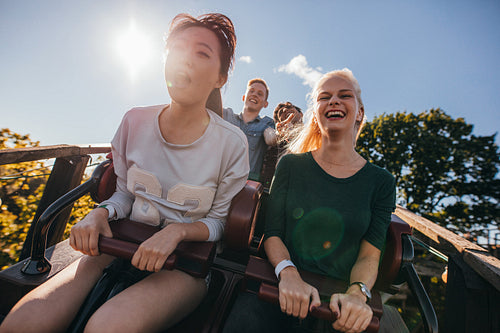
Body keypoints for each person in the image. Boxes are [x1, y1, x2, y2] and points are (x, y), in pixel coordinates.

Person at [0, 13, 248, 333]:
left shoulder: (232, 143)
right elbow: (126, 193)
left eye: (201, 53)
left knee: (107, 327)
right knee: (22, 324)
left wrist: (176, 232)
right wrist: (100, 213)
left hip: (184, 267)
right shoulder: (134, 121)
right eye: (177, 49)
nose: (185, 59)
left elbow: (218, 222)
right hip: (119, 244)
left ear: (220, 78)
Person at [223, 69, 397, 333]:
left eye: (344, 95)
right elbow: (273, 234)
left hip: (337, 305)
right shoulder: (291, 165)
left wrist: (357, 294)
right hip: (278, 285)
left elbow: (369, 255)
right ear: (316, 113)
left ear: (359, 112)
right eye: (324, 97)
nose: (334, 101)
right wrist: (289, 274)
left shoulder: (381, 181)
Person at [223, 78, 276, 181]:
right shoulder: (226, 114)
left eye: (260, 94)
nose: (254, 94)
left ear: (265, 104)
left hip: (245, 184)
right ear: (244, 97)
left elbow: (271, 139)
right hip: (216, 178)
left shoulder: (266, 123)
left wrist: (279, 133)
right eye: (251, 91)